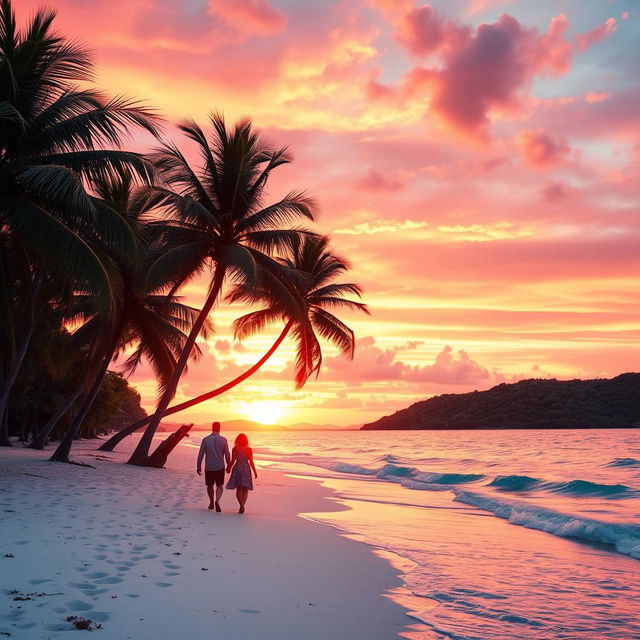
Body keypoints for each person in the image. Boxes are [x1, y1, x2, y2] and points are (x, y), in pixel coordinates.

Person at [196, 422, 231, 512]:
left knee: (210, 485)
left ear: (212, 428)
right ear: (219, 428)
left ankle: (211, 501)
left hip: (209, 466)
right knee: (219, 485)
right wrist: (229, 466)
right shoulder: (223, 440)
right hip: (220, 466)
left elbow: (201, 454)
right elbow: (227, 454)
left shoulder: (205, 439)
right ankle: (217, 500)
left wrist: (198, 466)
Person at [226, 433, 258, 514]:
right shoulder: (249, 449)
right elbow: (251, 461)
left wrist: (228, 468)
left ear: (237, 440)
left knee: (239, 488)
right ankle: (243, 505)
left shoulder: (235, 448)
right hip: (246, 468)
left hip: (238, 468)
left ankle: (241, 505)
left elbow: (233, 460)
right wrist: (254, 471)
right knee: (245, 488)